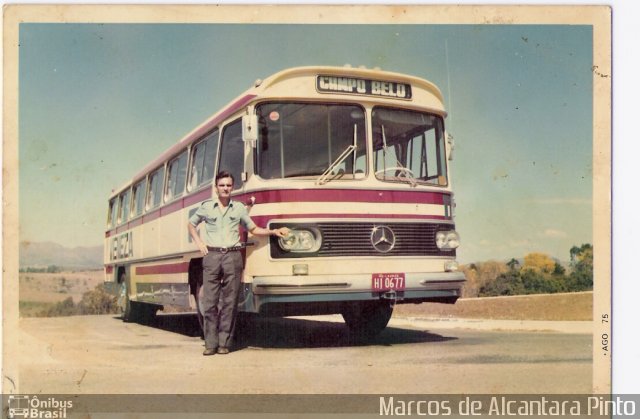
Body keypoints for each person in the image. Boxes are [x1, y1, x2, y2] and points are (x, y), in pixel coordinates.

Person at [188, 171, 289, 356]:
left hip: (232, 257)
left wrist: (274, 232)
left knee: (230, 302)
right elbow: (191, 224)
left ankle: (224, 343)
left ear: (232, 187)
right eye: (222, 185)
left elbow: (253, 228)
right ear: (216, 188)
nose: (225, 188)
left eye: (228, 185)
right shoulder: (206, 207)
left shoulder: (239, 208)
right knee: (209, 302)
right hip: (212, 256)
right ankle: (210, 344)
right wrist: (200, 243)